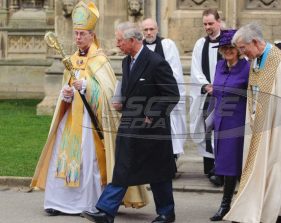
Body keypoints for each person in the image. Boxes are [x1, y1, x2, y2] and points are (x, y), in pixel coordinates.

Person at [30, 1, 147, 216]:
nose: (77, 38)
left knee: (89, 162)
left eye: (82, 34)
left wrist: (86, 87)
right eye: (75, 34)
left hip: (90, 122)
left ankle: (89, 204)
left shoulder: (100, 60)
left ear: (92, 35)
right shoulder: (71, 60)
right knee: (63, 158)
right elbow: (66, 86)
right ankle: (58, 202)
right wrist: (65, 95)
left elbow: (107, 93)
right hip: (71, 121)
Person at [82, 22, 179, 223]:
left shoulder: (156, 62)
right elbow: (131, 91)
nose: (117, 44)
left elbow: (171, 95)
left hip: (152, 129)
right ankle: (106, 212)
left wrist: (150, 115)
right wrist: (122, 103)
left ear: (132, 41)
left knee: (158, 172)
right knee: (123, 168)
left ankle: (167, 212)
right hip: (130, 126)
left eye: (120, 40)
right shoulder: (126, 62)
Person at [223, 23, 281, 223]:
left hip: (278, 129)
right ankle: (255, 207)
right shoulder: (256, 60)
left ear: (255, 42)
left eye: (243, 49)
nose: (243, 54)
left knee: (275, 166)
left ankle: (277, 210)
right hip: (259, 126)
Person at [207, 29, 250, 221]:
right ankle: (231, 204)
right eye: (224, 48)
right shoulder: (218, 66)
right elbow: (216, 89)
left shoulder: (247, 68)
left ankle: (233, 205)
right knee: (224, 164)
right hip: (220, 121)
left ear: (238, 49)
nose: (227, 51)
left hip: (238, 122)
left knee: (236, 165)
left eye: (231, 47)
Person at [141, 18, 187, 161]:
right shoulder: (139, 47)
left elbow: (175, 71)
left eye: (151, 29)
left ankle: (171, 161)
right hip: (147, 99)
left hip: (165, 96)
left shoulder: (167, 45)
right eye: (146, 30)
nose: (149, 33)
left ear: (157, 29)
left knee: (171, 132)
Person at [189, 8, 223, 186]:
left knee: (223, 131)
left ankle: (223, 168)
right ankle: (210, 166)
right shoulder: (200, 44)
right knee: (206, 128)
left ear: (219, 21)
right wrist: (205, 85)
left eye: (211, 23)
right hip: (208, 93)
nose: (208, 27)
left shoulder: (229, 42)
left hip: (225, 93)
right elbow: (195, 68)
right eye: (205, 24)